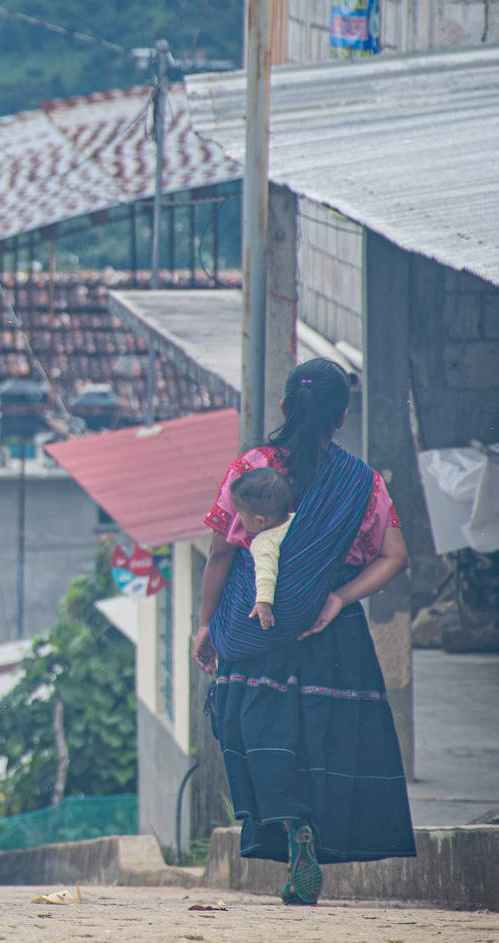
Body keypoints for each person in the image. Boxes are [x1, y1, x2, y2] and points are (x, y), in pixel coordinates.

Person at [194, 358, 414, 906]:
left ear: (287, 407)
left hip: (254, 625)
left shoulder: (252, 466)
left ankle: (294, 830)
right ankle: (310, 832)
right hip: (329, 629)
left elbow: (221, 552)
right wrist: (338, 596)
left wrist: (205, 626)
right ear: (341, 417)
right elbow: (395, 556)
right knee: (320, 736)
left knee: (266, 734)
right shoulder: (362, 482)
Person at [227, 467, 295, 631]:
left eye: (241, 514)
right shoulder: (300, 520)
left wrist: (263, 603)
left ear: (259, 520)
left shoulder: (264, 543)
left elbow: (266, 573)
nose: (239, 520)